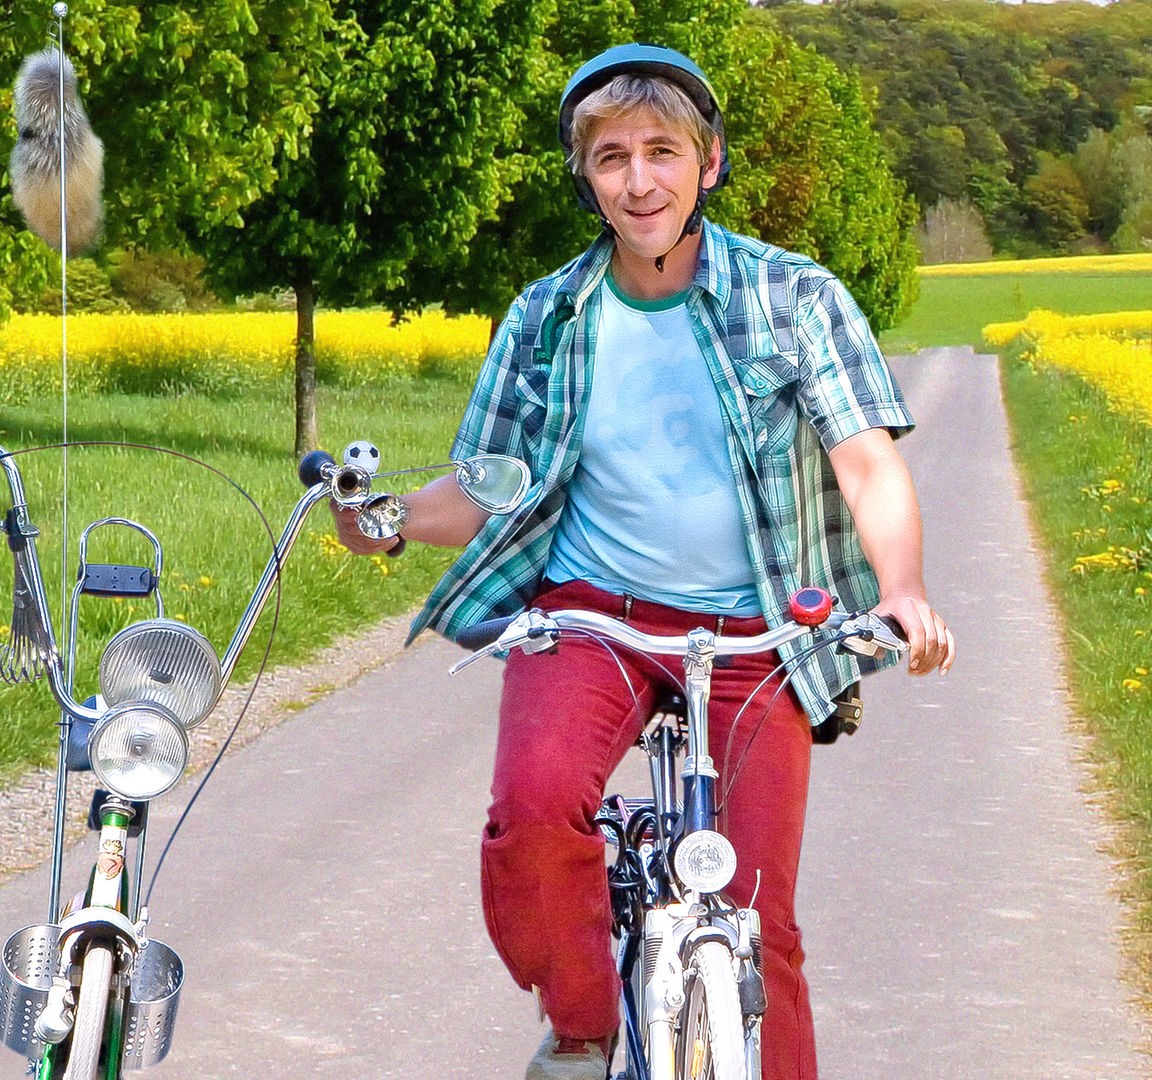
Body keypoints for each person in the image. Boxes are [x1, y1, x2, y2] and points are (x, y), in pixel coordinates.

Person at [330, 44, 956, 1080]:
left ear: (707, 165)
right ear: (587, 176)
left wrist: (902, 591)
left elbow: (866, 464)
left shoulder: (791, 295)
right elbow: (487, 487)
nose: (638, 179)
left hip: (759, 626)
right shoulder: (546, 315)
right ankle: (580, 1025)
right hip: (593, 616)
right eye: (612, 156)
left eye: (663, 152)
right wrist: (387, 519)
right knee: (532, 810)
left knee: (762, 924)